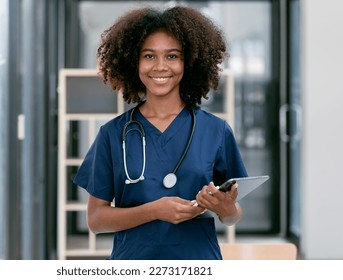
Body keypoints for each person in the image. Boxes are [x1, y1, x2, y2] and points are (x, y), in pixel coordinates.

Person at [73, 5, 248, 260]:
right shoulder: (112, 134)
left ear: (189, 62)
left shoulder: (216, 131)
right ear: (134, 62)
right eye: (149, 56)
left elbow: (233, 217)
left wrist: (227, 208)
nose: (160, 67)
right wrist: (154, 211)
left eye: (172, 56)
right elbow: (96, 220)